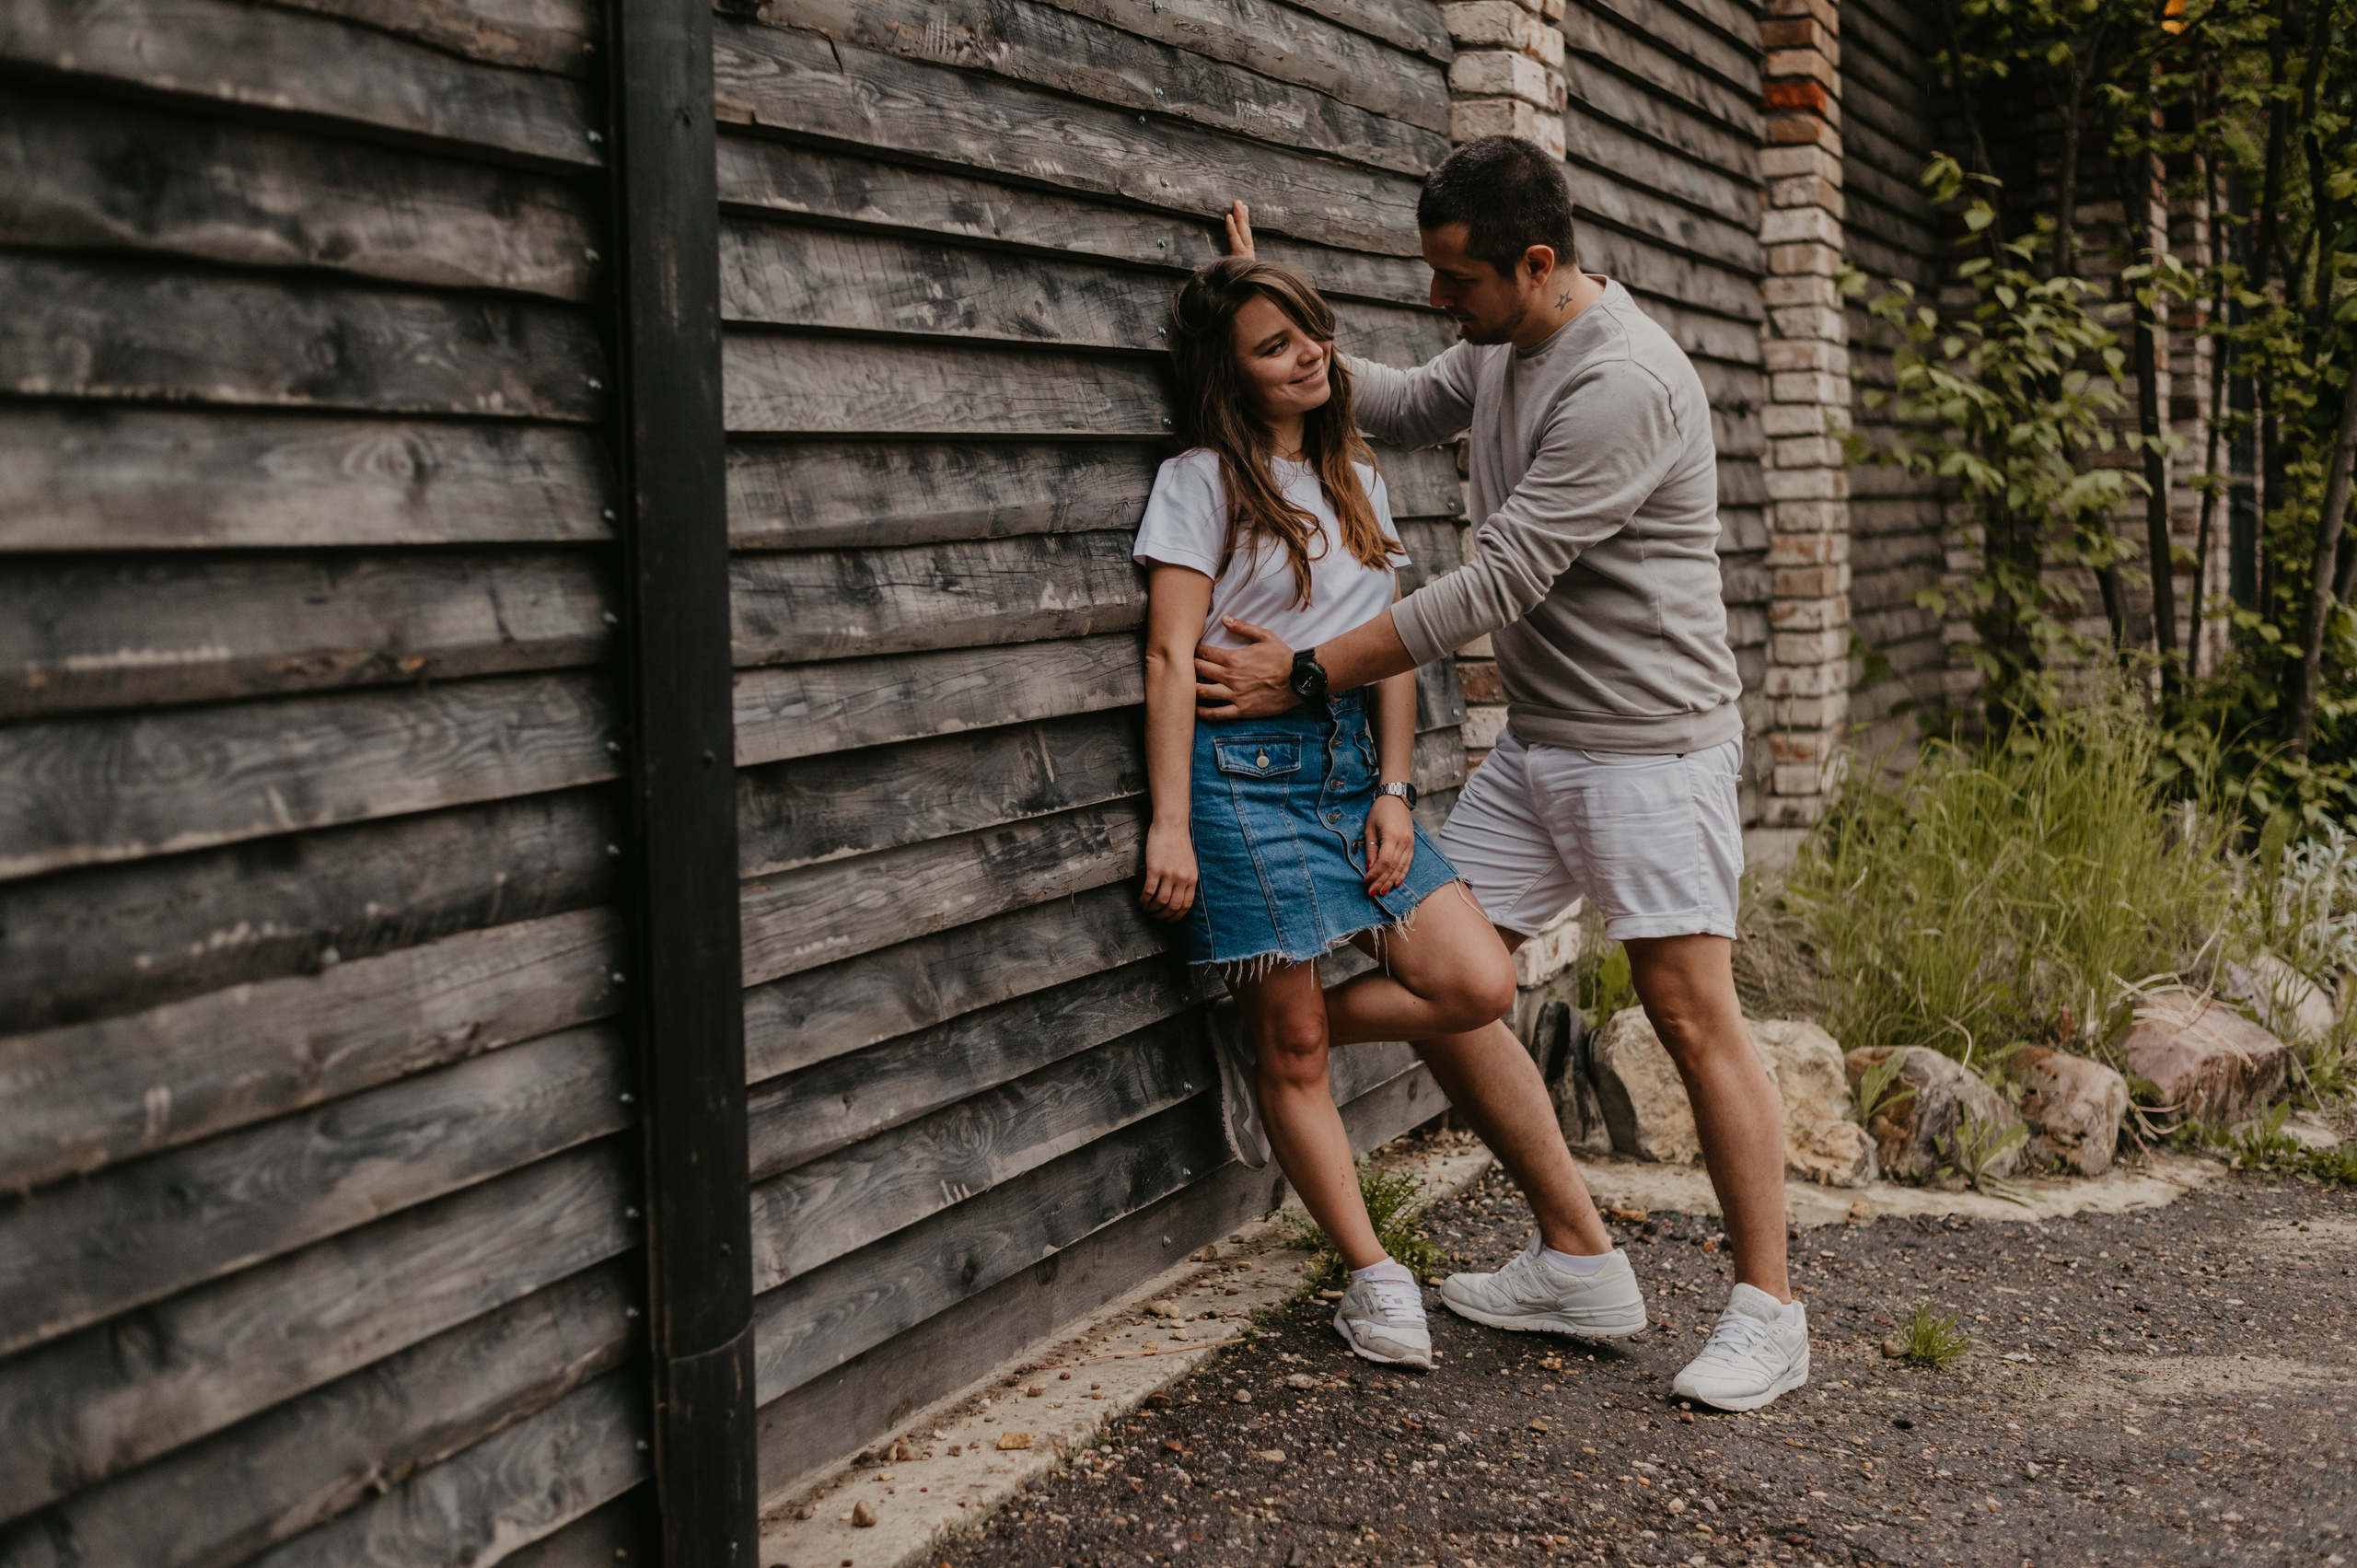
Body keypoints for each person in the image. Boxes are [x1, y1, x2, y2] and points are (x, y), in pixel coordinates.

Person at [1199, 137, 1809, 1412]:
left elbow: (1493, 582)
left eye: (1455, 280)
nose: (1439, 303)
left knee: (1691, 1010)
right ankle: (1580, 1260)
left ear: (1536, 263)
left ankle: (1770, 1308)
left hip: (1651, 744)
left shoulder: (1624, 378)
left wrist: (1303, 671)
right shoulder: (1502, 346)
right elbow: (1396, 397)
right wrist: (1266, 316)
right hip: (1542, 742)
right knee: (1451, 971)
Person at [1137, 256, 1523, 1372]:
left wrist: (1397, 790)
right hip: (1238, 776)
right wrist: (1170, 822)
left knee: (1474, 979)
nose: (1309, 353)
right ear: (1229, 373)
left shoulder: (1356, 472)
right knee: (1298, 1041)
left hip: (1351, 764)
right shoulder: (1202, 479)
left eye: (1310, 330)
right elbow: (1170, 653)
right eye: (1273, 345)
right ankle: (1373, 1272)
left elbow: (1390, 642)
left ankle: (1262, 1040)